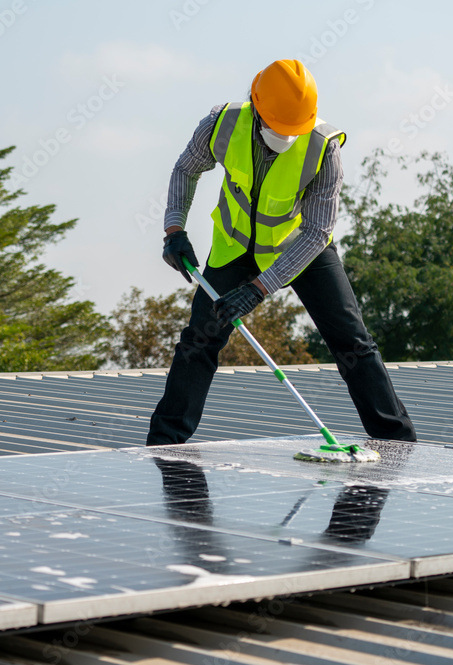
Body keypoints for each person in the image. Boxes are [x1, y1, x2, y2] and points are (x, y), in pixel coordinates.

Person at [146, 59, 417, 447]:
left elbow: (318, 231)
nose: (285, 135)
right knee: (199, 341)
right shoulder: (220, 125)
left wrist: (258, 289)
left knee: (353, 343)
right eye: (276, 126)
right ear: (257, 106)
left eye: (294, 129)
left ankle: (399, 445)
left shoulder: (324, 148)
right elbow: (185, 169)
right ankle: (164, 446)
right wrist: (174, 229)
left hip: (300, 248)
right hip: (235, 245)